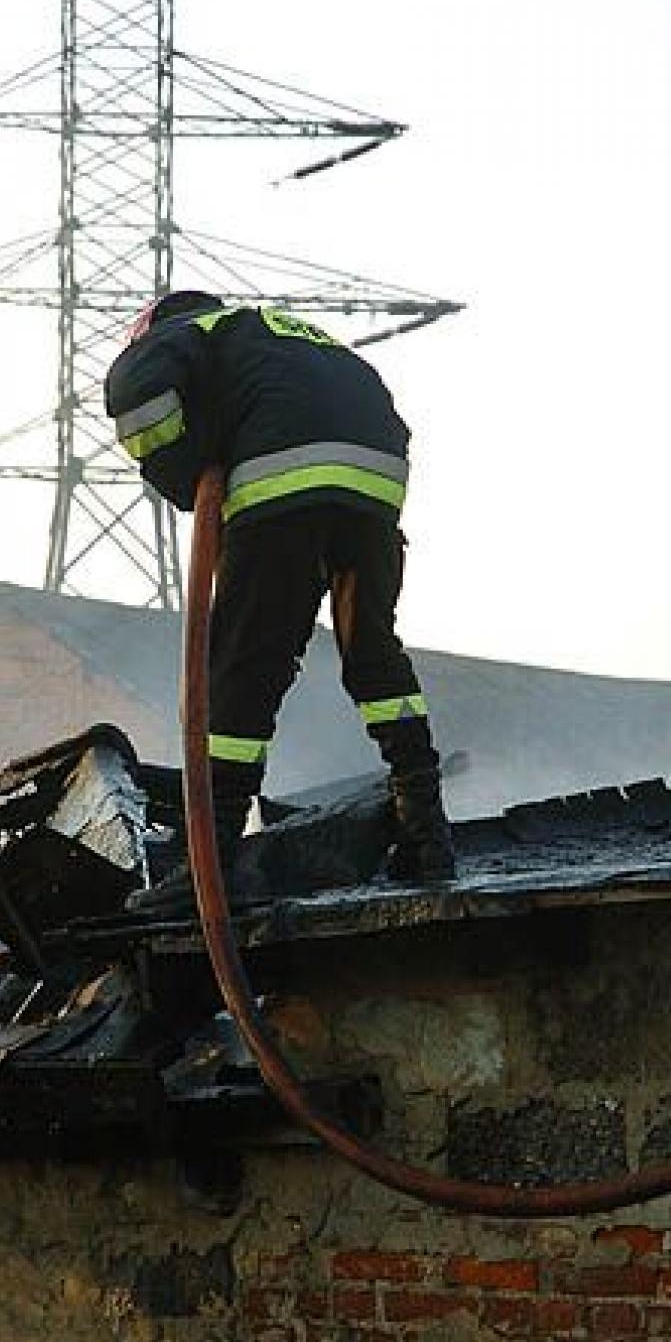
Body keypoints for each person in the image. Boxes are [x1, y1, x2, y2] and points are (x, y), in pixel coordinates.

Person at [105, 290, 455, 907]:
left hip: (282, 482)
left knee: (243, 668)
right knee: (374, 655)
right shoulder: (288, 335)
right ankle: (427, 837)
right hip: (374, 486)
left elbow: (140, 398)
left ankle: (213, 870)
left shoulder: (183, 332)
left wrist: (185, 473)